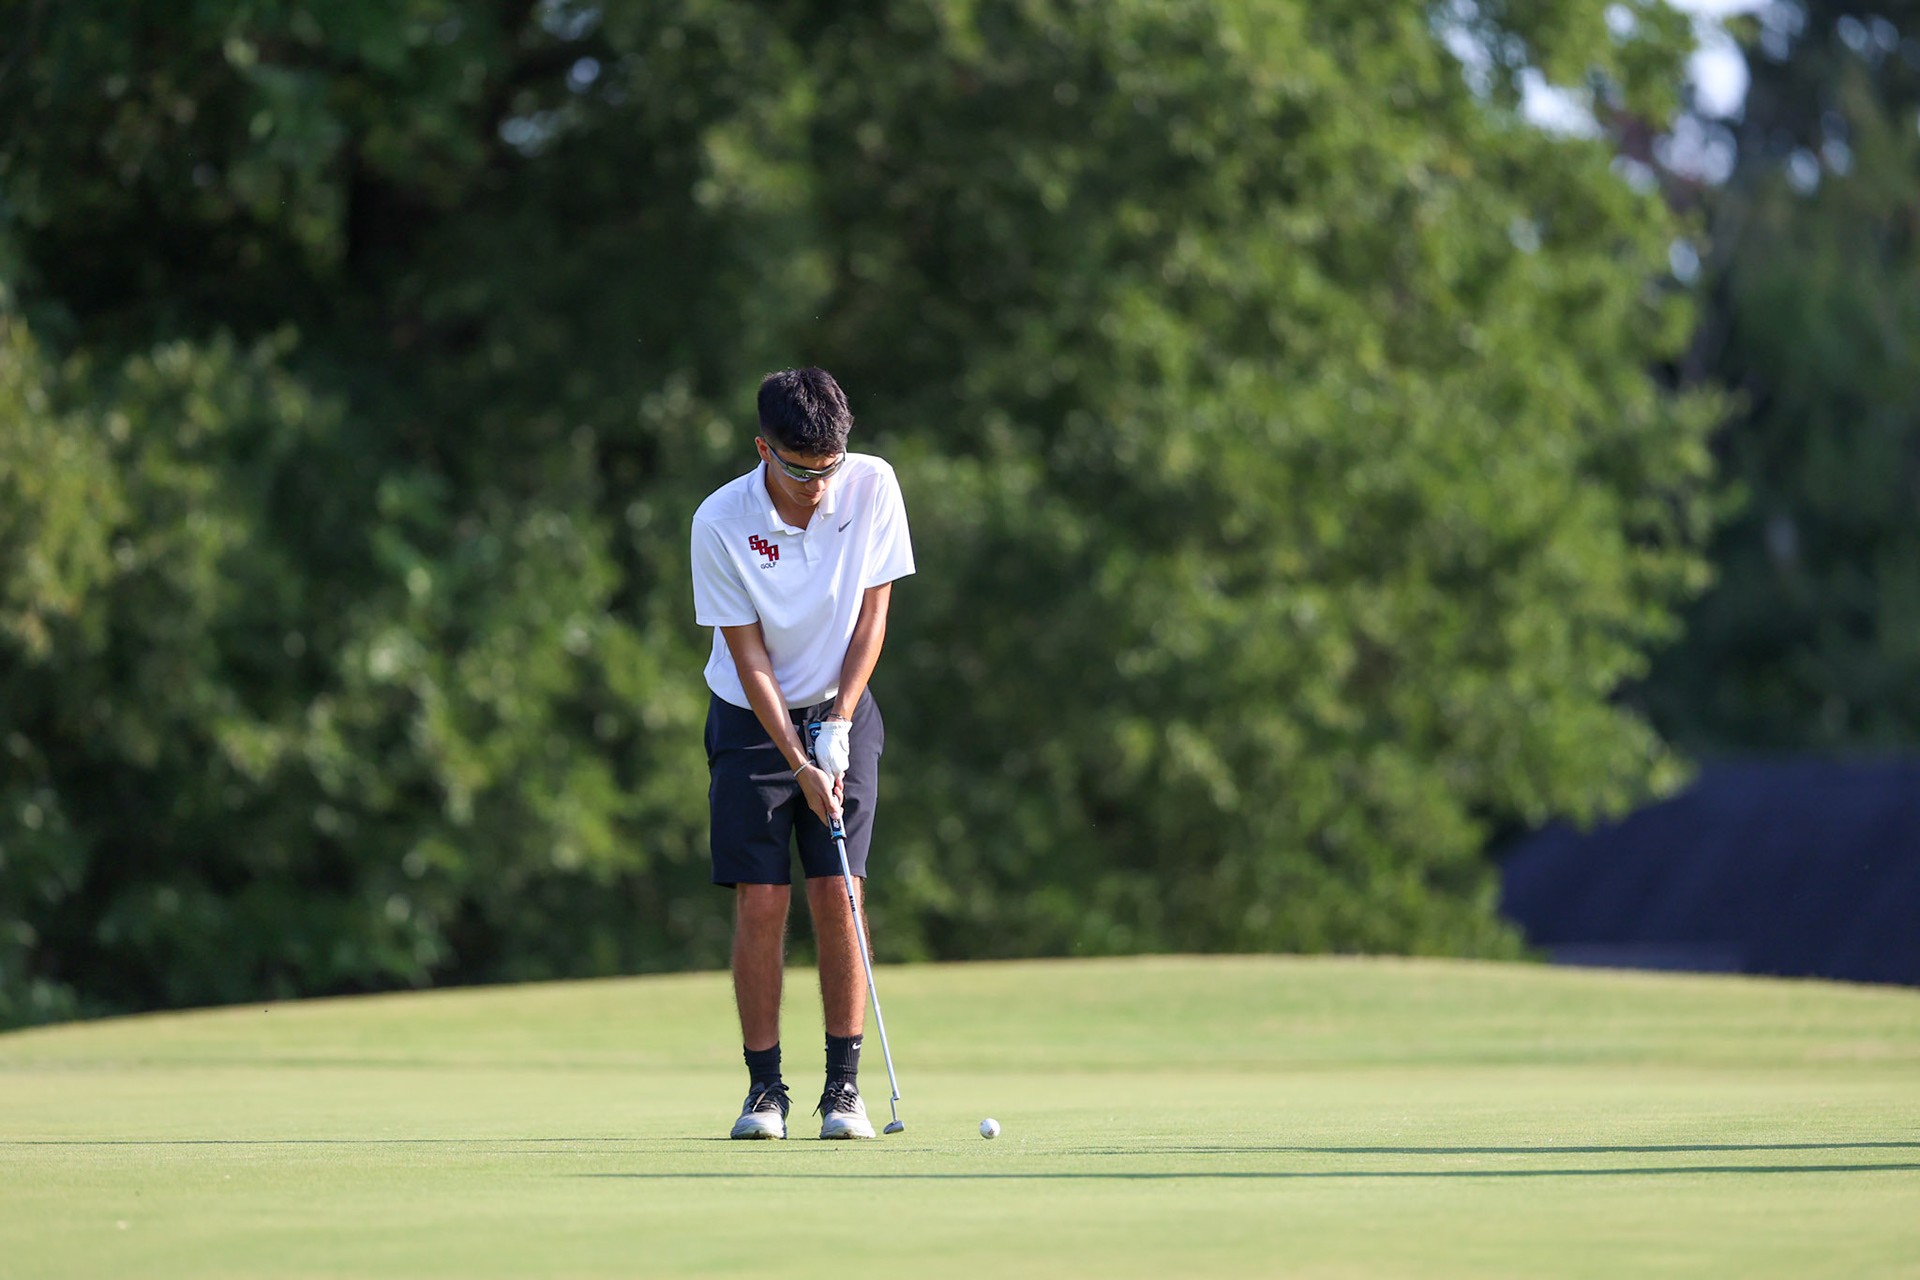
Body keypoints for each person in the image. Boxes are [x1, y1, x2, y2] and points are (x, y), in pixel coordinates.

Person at [689, 367, 914, 1140]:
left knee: (838, 890)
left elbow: (873, 616)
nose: (818, 486)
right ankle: (764, 1091)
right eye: (798, 469)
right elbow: (748, 658)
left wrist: (841, 722)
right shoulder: (719, 520)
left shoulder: (872, 485)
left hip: (842, 704)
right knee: (762, 898)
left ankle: (843, 1089)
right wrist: (798, 758)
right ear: (763, 449)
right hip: (752, 719)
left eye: (829, 469)